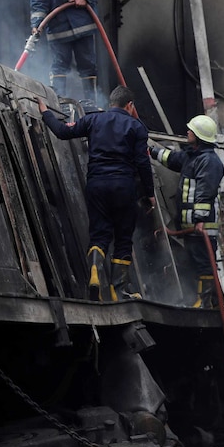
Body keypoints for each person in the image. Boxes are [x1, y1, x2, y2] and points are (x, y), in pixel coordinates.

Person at [37, 86, 155, 301]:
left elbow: (62, 132)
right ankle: (118, 290)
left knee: (99, 234)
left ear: (111, 103)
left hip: (97, 184)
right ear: (130, 105)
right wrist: (150, 193)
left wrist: (45, 112)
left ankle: (94, 273)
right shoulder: (136, 127)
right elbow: (142, 163)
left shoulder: (93, 120)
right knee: (122, 238)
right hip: (123, 186)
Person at [148, 114, 224, 308]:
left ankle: (205, 302)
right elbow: (172, 159)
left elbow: (205, 192)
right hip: (191, 226)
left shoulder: (209, 161)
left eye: (191, 130)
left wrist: (199, 220)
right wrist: (150, 150)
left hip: (201, 227)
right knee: (193, 262)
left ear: (199, 136)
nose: (187, 131)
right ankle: (205, 300)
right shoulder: (193, 157)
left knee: (203, 263)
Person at [30, 0, 105, 106]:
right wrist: (36, 24)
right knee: (58, 67)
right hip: (58, 29)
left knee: (87, 65)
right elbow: (38, 1)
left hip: (83, 24)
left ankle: (91, 104)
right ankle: (59, 104)